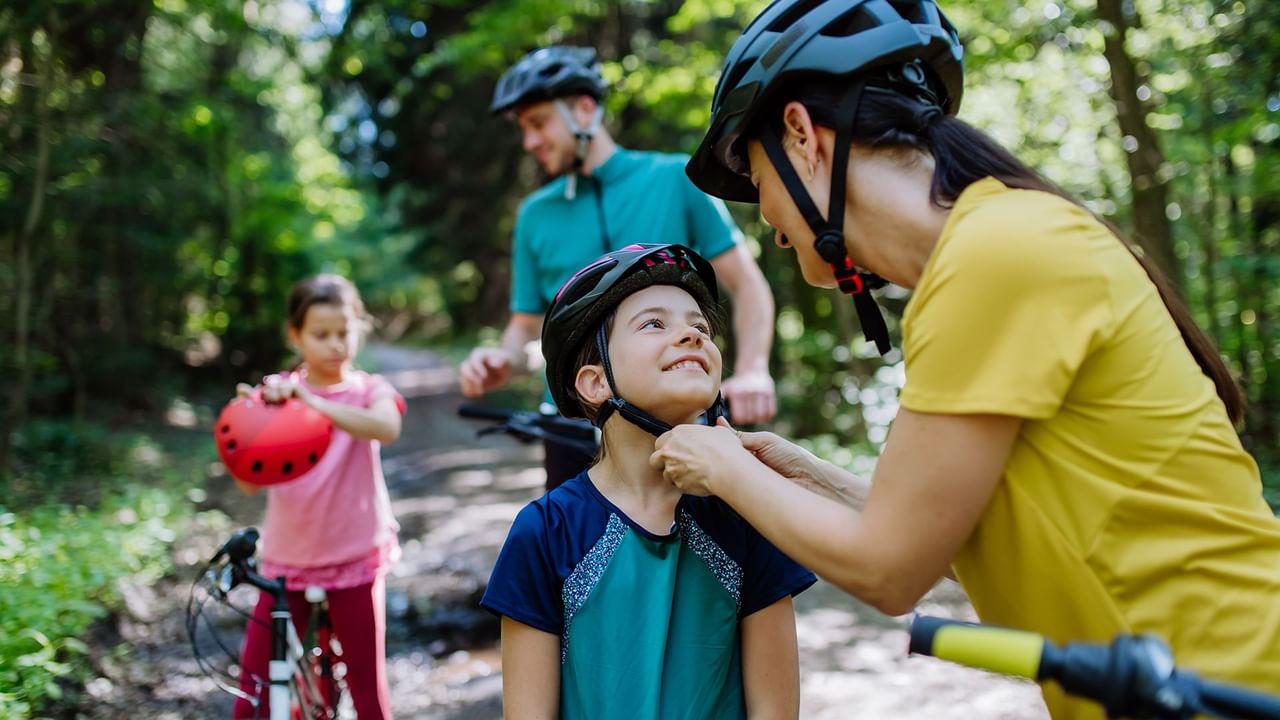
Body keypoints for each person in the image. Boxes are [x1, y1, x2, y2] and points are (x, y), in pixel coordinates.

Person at [651, 1, 1280, 718]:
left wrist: (723, 467)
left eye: (756, 176)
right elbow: (955, 541)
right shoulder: (990, 249)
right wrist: (810, 477)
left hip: (1234, 686)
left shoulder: (996, 255)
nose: (766, 218)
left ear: (801, 135)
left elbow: (890, 570)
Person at [480, 244, 815, 719]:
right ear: (595, 383)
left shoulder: (747, 511)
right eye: (654, 323)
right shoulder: (545, 532)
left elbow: (776, 712)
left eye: (700, 327)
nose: (691, 336)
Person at [459, 45, 780, 490]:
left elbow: (748, 285)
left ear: (585, 110)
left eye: (538, 123)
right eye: (524, 129)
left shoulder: (674, 179)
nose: (529, 142)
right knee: (574, 557)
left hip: (680, 421)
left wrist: (753, 369)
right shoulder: (535, 215)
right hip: (572, 428)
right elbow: (526, 330)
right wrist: (504, 359)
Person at [230, 274, 404, 720]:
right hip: (288, 563)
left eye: (343, 333)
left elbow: (386, 427)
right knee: (253, 692)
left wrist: (311, 401)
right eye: (320, 335)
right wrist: (243, 430)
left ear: (358, 327)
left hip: (355, 558)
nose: (334, 345)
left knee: (367, 691)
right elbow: (249, 484)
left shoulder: (369, 390)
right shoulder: (277, 394)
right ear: (296, 335)